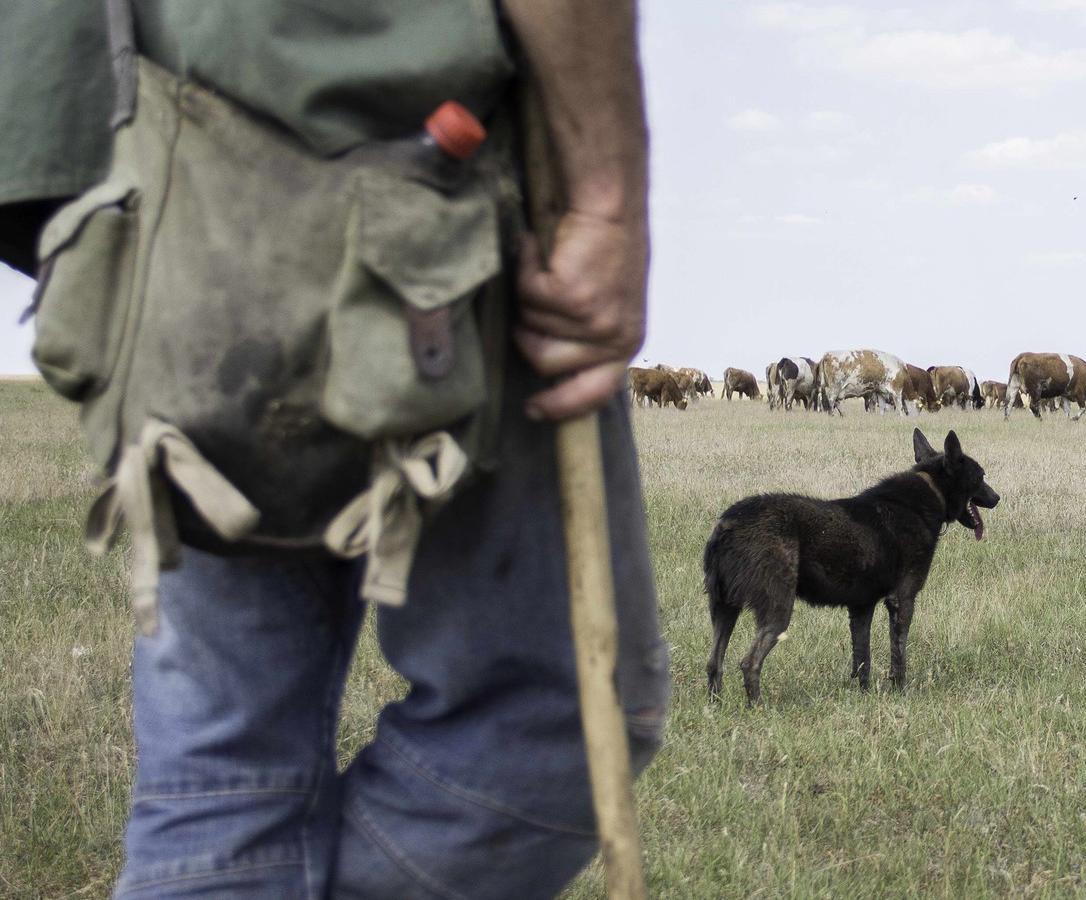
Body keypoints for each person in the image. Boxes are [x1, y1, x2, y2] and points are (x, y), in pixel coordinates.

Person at [1, 2, 668, 897]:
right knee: (559, 729)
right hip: (411, 184)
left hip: (159, 158)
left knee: (224, 774)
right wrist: (608, 202)